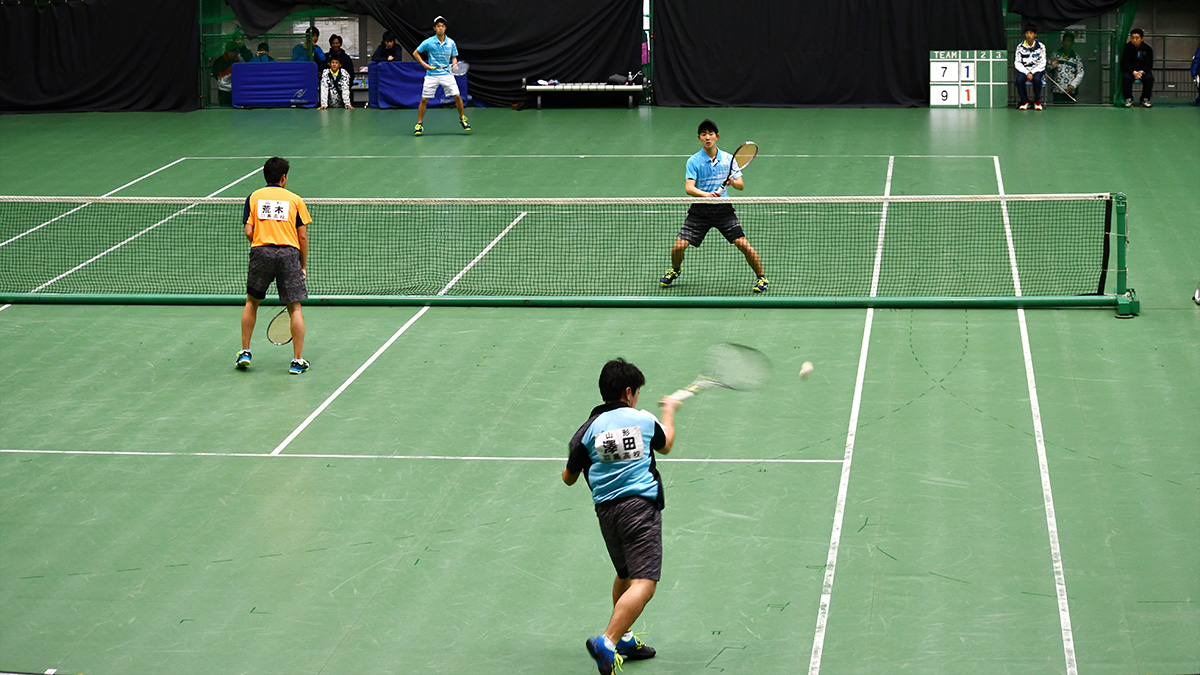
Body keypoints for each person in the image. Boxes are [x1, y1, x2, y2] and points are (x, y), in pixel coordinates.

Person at [564, 358, 679, 675]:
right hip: (640, 507)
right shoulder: (641, 419)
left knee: (626, 574)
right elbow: (665, 444)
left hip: (607, 513)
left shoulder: (586, 431)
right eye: (637, 392)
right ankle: (609, 641)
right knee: (645, 583)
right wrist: (669, 409)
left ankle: (625, 638)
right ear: (629, 392)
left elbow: (568, 477)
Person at [660, 119, 769, 294]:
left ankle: (762, 277)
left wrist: (733, 181)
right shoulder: (693, 161)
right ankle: (675, 269)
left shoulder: (729, 159)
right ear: (699, 138)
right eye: (704, 134)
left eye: (710, 134)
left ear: (717, 136)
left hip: (723, 210)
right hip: (700, 210)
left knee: (743, 244)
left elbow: (741, 185)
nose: (707, 137)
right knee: (678, 247)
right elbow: (689, 188)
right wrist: (705, 195)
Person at [237, 157, 312, 375]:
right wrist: (302, 264)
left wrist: (262, 245)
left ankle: (245, 352)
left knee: (251, 302)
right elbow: (303, 237)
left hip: (261, 252)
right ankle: (297, 361)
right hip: (289, 254)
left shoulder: (254, 197)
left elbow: (248, 232)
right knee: (295, 307)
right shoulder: (295, 199)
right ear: (283, 177)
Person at [411, 16, 470, 136]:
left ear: (445, 28)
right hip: (432, 75)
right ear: (434, 28)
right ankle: (419, 124)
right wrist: (424, 65)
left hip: (447, 74)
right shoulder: (429, 42)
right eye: (438, 26)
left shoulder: (451, 43)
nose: (440, 28)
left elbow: (454, 56)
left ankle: (462, 118)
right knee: (424, 99)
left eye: (442, 26)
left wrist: (454, 65)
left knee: (457, 96)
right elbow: (415, 53)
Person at [1014, 24, 1046, 110]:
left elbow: (1042, 62)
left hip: (1037, 70)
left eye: (1031, 33)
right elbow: (1017, 63)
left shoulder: (1041, 46)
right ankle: (1025, 101)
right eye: (1027, 33)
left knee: (1037, 79)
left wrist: (1033, 72)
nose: (1029, 35)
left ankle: (1037, 101)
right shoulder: (1020, 47)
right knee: (1019, 80)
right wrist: (1027, 73)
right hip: (1024, 70)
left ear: (1035, 34)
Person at [1121, 28, 1154, 108]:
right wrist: (1133, 72)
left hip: (1143, 71)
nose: (1134, 40)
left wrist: (1142, 72)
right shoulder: (1126, 48)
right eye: (1132, 38)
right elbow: (1124, 63)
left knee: (1149, 78)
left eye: (1137, 38)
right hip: (1131, 71)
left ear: (1141, 39)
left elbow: (1149, 64)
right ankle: (1128, 99)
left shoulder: (1148, 49)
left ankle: (1145, 99)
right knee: (1126, 77)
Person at [1049, 32, 1084, 101]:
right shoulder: (1055, 55)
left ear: (1072, 43)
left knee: (1070, 110)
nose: (1066, 43)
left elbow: (1080, 72)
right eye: (1065, 40)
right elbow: (1047, 69)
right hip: (1057, 90)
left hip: (1070, 91)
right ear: (1062, 42)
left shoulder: (1076, 57)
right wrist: (1052, 66)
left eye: (1069, 41)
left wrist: (1073, 85)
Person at [210, 41, 241, 106]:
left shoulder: (239, 62)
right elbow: (216, 73)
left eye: (234, 52)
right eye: (230, 51)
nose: (232, 54)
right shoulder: (219, 62)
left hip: (236, 91)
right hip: (223, 92)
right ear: (227, 51)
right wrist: (222, 82)